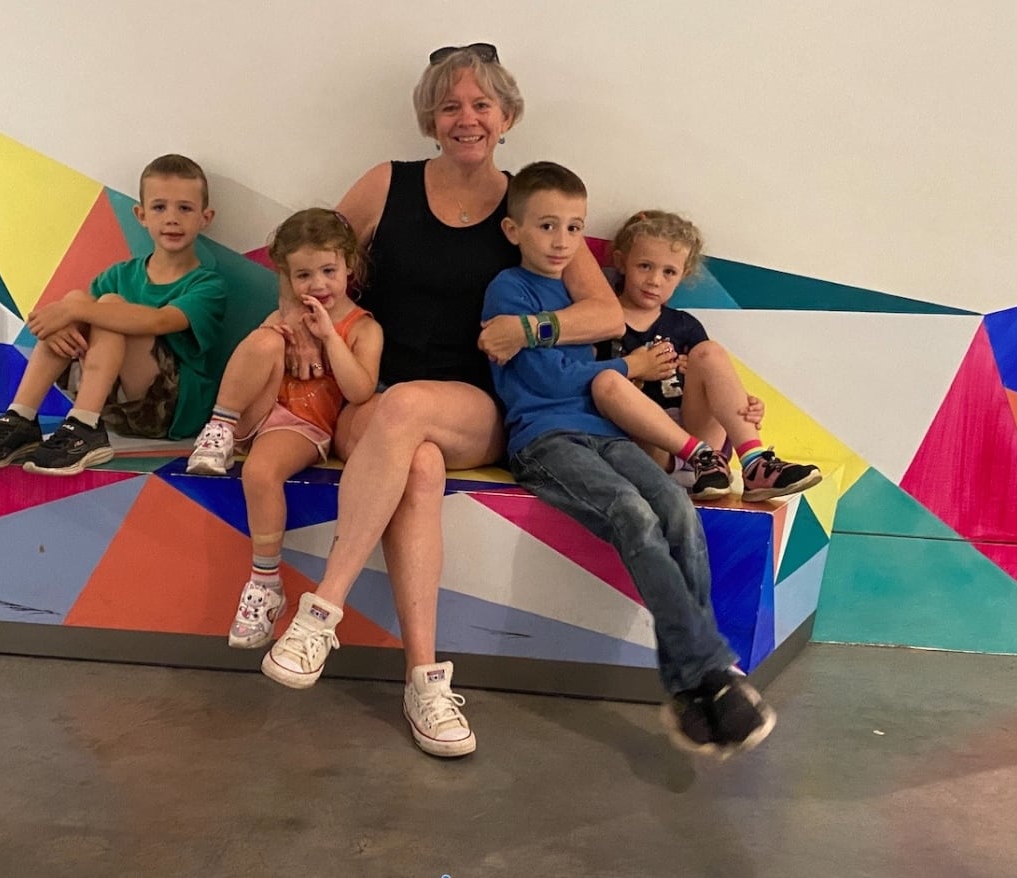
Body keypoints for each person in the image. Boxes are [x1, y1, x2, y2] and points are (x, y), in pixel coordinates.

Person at [259, 44, 624, 759]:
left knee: (412, 421)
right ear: (430, 118)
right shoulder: (384, 184)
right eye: (451, 105)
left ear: (507, 116)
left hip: (475, 405)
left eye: (481, 104)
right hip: (375, 392)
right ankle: (426, 681)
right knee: (416, 464)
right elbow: (300, 257)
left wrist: (528, 328)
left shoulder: (527, 205)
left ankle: (320, 611)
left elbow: (606, 313)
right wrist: (299, 324)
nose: (466, 118)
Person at [483, 160, 776, 758]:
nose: (561, 241)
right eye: (546, 226)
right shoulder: (508, 290)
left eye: (573, 227)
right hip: (545, 440)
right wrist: (627, 368)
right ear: (515, 231)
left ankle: (689, 693)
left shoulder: (581, 294)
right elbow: (546, 384)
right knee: (631, 514)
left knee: (675, 508)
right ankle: (714, 671)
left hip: (606, 434)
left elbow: (586, 362)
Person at [185, 208, 382, 650]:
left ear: (349, 264)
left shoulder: (363, 328)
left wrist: (331, 337)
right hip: (257, 407)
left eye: (328, 271)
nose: (317, 285)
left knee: (259, 473)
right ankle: (219, 428)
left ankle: (264, 582)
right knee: (265, 339)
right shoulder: (284, 315)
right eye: (303, 275)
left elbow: (361, 389)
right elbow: (255, 361)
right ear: (286, 278)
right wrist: (278, 326)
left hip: (303, 425)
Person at [0, 154, 226, 476]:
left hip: (169, 412)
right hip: (111, 402)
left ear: (205, 217)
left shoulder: (208, 284)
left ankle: (84, 425)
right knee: (88, 302)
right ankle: (21, 417)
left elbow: (160, 321)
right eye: (159, 207)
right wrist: (63, 323)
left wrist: (74, 309)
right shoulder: (118, 275)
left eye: (185, 208)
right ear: (140, 215)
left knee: (101, 304)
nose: (171, 218)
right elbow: (85, 319)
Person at [593, 210, 821, 502]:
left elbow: (712, 381)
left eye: (669, 272)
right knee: (608, 382)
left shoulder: (684, 325)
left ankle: (753, 461)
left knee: (710, 352)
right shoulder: (601, 320)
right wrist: (637, 368)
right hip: (647, 449)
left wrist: (744, 404)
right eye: (645, 266)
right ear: (621, 262)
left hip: (705, 457)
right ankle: (699, 455)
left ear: (683, 275)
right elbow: (587, 386)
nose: (654, 280)